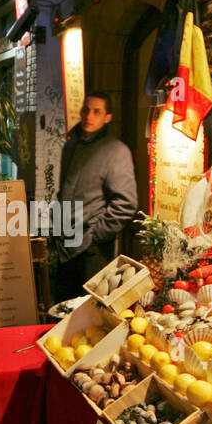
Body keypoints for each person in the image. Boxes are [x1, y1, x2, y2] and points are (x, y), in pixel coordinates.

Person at [52, 92, 139, 302]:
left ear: (107, 117)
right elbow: (64, 192)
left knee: (88, 309)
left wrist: (96, 235)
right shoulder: (71, 146)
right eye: (86, 110)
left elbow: (126, 203)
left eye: (97, 111)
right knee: (62, 308)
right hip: (64, 245)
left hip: (91, 250)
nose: (89, 116)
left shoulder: (116, 151)